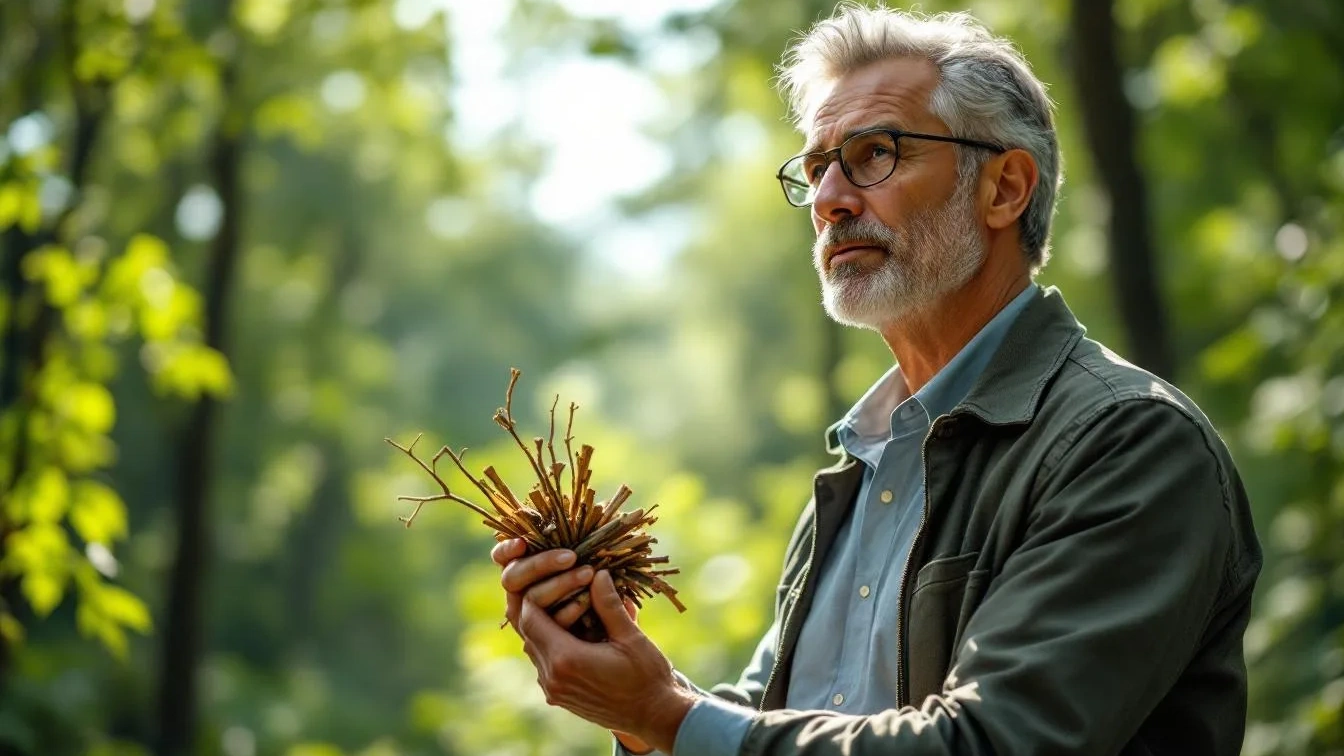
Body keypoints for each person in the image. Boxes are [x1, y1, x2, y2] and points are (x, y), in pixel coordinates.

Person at [491, 5, 1262, 755]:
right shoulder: (861, 468)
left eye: (875, 154)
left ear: (1004, 189)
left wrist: (665, 715)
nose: (830, 200)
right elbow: (764, 724)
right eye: (817, 168)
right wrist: (632, 702)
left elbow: (993, 741)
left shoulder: (1128, 442)